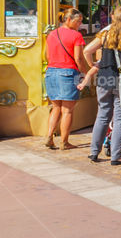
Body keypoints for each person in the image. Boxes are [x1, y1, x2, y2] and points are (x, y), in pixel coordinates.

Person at [85, 6, 121, 165]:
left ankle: (94, 152)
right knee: (120, 118)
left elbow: (87, 50)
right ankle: (116, 156)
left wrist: (95, 64)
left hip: (105, 78)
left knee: (102, 114)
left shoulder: (105, 34)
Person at [44, 8, 89, 150]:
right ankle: (64, 142)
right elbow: (78, 58)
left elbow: (47, 55)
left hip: (51, 72)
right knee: (68, 110)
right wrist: (85, 73)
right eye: (78, 21)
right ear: (69, 19)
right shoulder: (76, 36)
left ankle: (49, 137)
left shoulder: (51, 34)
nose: (79, 25)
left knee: (56, 107)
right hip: (68, 73)